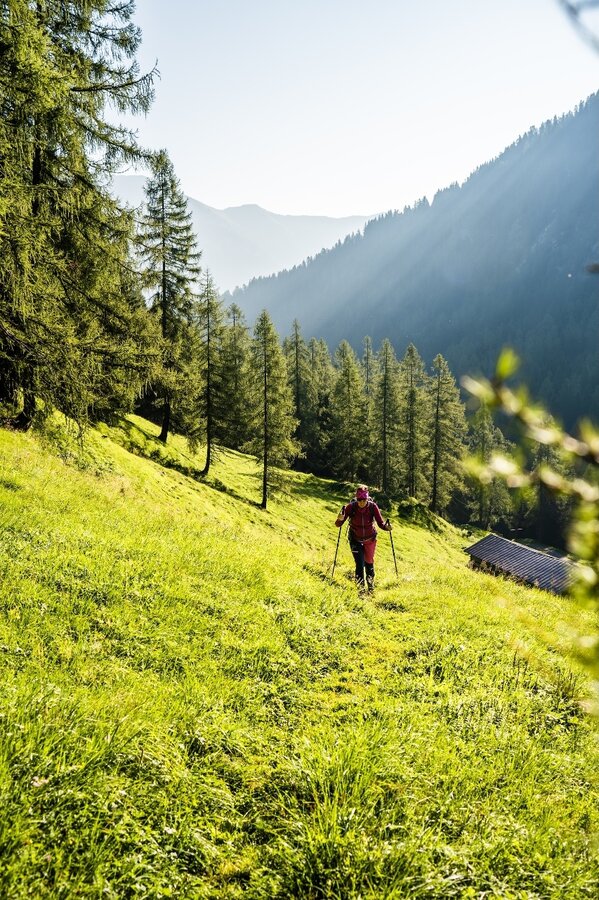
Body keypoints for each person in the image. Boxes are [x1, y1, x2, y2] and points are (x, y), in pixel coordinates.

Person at [335, 485, 391, 592]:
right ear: (356, 499)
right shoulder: (350, 507)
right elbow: (338, 525)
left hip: (370, 539)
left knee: (369, 562)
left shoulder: (372, 507)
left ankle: (371, 586)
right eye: (359, 500)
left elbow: (380, 523)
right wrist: (339, 519)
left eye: (364, 500)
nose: (361, 502)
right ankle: (360, 589)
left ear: (367, 499)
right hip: (355, 539)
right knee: (359, 564)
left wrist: (387, 527)